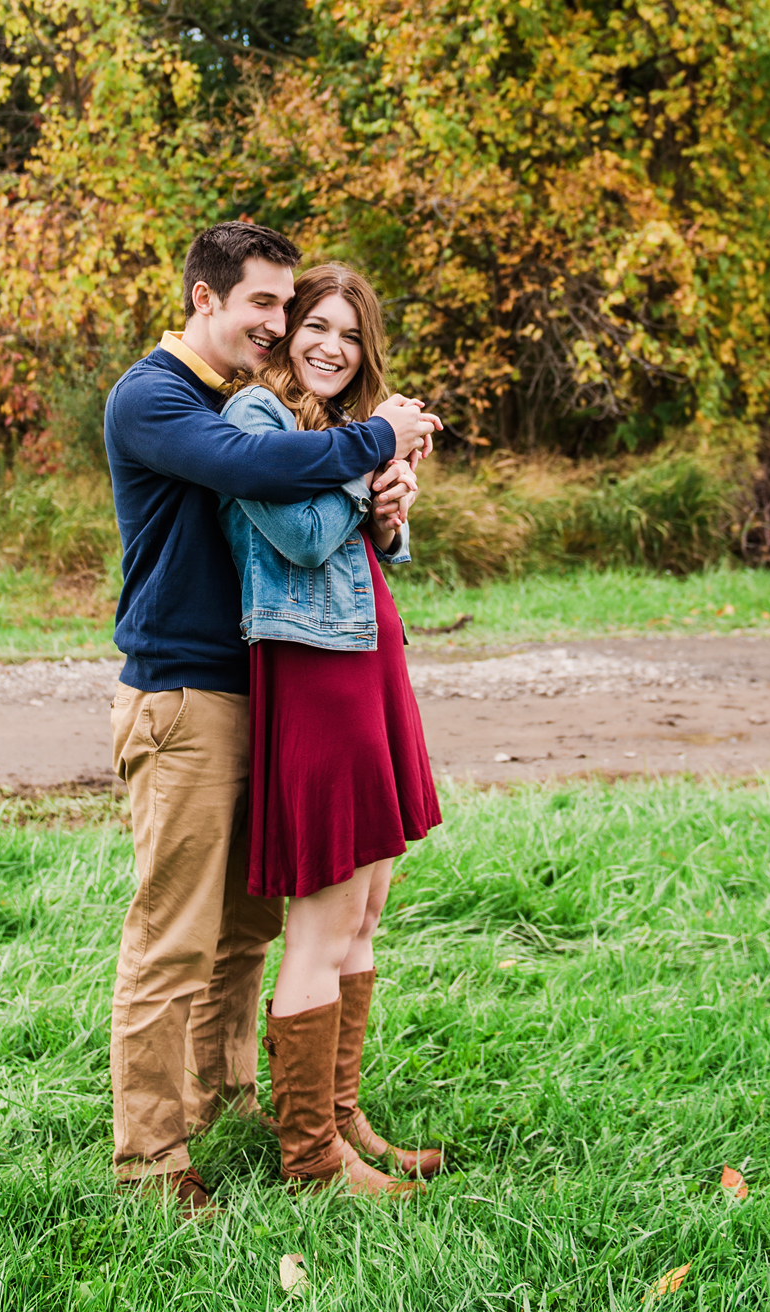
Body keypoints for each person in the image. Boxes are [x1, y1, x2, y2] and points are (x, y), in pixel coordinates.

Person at [102, 222, 439, 1218]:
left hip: (260, 688)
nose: (280, 323)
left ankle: (233, 1096)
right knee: (173, 936)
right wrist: (383, 437)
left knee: (246, 928)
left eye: (286, 306)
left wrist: (387, 491)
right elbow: (261, 479)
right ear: (206, 297)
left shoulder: (240, 396)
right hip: (184, 693)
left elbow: (308, 492)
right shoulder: (156, 397)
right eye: (265, 304)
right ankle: (152, 1156)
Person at [217, 263, 445, 1200]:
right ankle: (308, 1158)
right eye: (316, 325)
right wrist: (368, 467)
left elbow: (360, 544)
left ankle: (341, 1118)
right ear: (285, 330)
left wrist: (393, 509)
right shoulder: (256, 422)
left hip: (369, 665)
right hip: (313, 676)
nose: (330, 347)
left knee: (363, 910)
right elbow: (303, 541)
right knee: (318, 919)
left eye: (350, 335)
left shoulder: (338, 434)